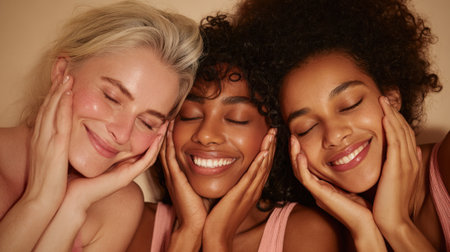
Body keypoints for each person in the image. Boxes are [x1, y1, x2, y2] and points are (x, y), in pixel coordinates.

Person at [234, 0, 448, 251]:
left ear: (391, 96)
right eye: (306, 128)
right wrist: (365, 230)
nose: (334, 135)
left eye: (350, 104)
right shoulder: (319, 235)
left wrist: (396, 225)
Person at [128, 13, 345, 252]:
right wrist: (187, 233)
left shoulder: (306, 233)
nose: (207, 134)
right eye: (190, 115)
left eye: (236, 118)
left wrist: (218, 239)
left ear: (273, 134)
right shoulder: (131, 224)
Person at [0, 1, 202, 251]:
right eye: (111, 97)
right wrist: (40, 200)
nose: (122, 132)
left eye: (147, 122)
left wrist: (73, 205)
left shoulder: (118, 205)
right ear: (62, 71)